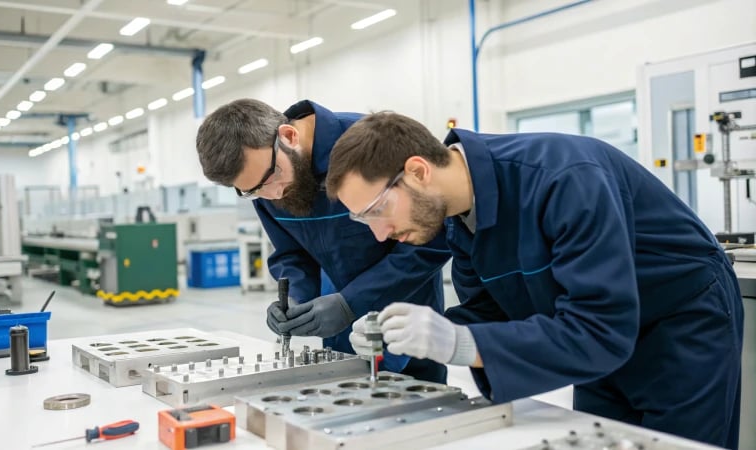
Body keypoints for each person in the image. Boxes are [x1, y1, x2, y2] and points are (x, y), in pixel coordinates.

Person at [325, 111, 743, 449]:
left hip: (679, 323)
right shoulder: (457, 217)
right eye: (364, 220)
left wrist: (460, 343)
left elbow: (602, 326)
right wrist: (411, 336)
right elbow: (492, 311)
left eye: (377, 210)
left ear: (417, 171)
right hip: (591, 338)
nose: (379, 234)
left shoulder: (564, 178)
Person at [195, 99, 452, 383]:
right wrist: (296, 299)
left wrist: (351, 302)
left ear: (289, 136)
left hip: (409, 319)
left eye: (271, 178)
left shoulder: (368, 144)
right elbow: (290, 253)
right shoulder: (265, 180)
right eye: (254, 191)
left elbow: (432, 237)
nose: (274, 195)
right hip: (338, 331)